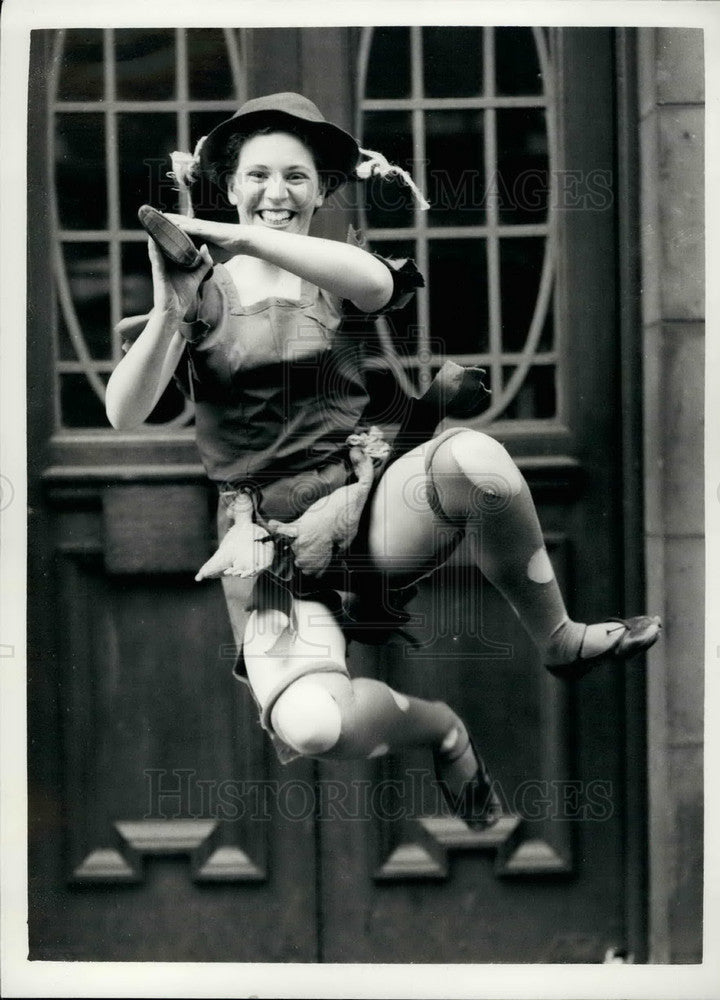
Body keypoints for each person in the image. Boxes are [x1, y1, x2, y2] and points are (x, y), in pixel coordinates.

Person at [105, 92, 661, 829]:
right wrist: (170, 309)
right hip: (266, 543)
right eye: (258, 175)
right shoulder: (199, 294)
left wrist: (233, 236)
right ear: (231, 184)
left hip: (363, 507)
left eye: (297, 176)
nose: (276, 193)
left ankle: (559, 638)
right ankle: (441, 730)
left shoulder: (333, 269)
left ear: (323, 190)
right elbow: (124, 411)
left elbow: (374, 282)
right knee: (312, 726)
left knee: (477, 458)